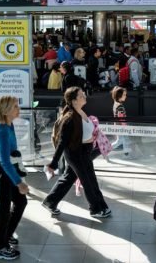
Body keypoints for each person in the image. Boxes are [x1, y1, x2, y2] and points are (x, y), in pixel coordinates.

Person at [43, 87, 111, 218]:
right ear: (74, 101)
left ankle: (50, 202)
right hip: (76, 154)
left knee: (69, 178)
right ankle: (96, 209)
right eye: (81, 95)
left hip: (84, 152)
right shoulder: (69, 119)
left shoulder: (81, 112)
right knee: (88, 180)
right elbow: (62, 142)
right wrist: (53, 163)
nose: (84, 96)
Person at [0, 96, 29, 260]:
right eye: (15, 107)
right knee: (4, 210)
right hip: (2, 173)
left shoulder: (9, 125)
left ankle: (6, 235)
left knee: (20, 202)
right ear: (6, 110)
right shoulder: (2, 130)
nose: (18, 110)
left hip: (8, 171)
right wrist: (19, 183)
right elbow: (5, 161)